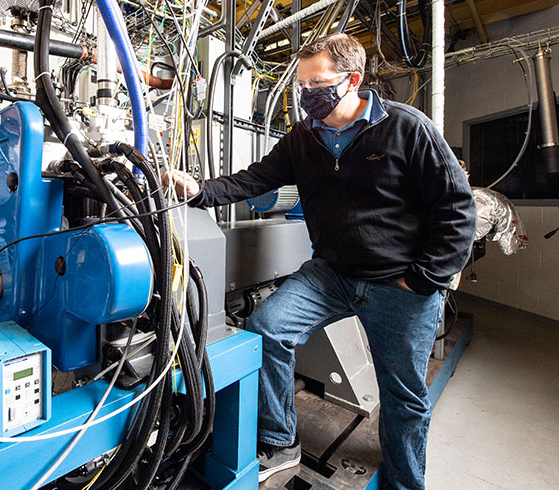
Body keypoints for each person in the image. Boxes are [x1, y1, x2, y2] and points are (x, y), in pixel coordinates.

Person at [164, 34, 476, 489]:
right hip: (331, 273)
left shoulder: (406, 127)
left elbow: (456, 208)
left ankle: (405, 482)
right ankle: (280, 439)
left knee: (403, 397)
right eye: (301, 83)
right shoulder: (304, 138)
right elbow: (256, 179)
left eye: (317, 83)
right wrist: (199, 190)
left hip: (398, 284)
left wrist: (424, 278)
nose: (306, 93)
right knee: (268, 327)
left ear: (352, 80)